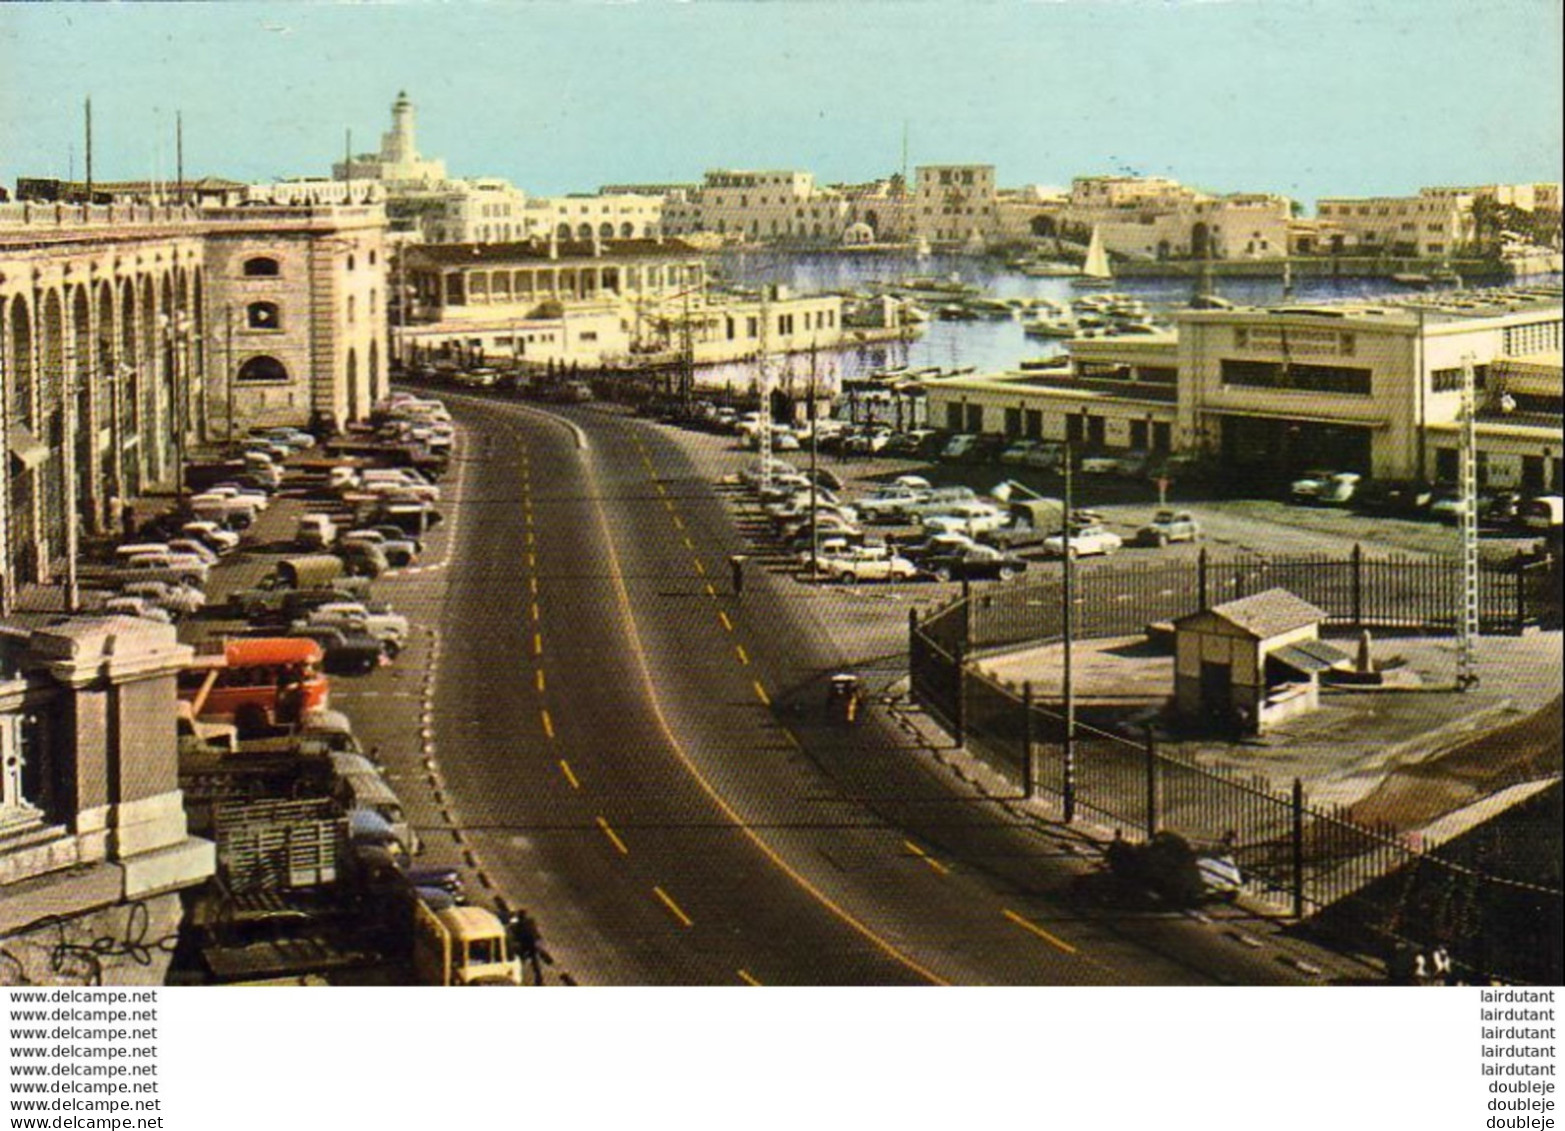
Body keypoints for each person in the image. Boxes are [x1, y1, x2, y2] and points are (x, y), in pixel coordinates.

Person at [507, 908, 544, 985]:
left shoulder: (519, 925)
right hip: (532, 945)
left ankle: (517, 977)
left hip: (525, 946)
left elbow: (514, 933)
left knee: (520, 961)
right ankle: (539, 979)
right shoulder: (530, 921)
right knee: (535, 962)